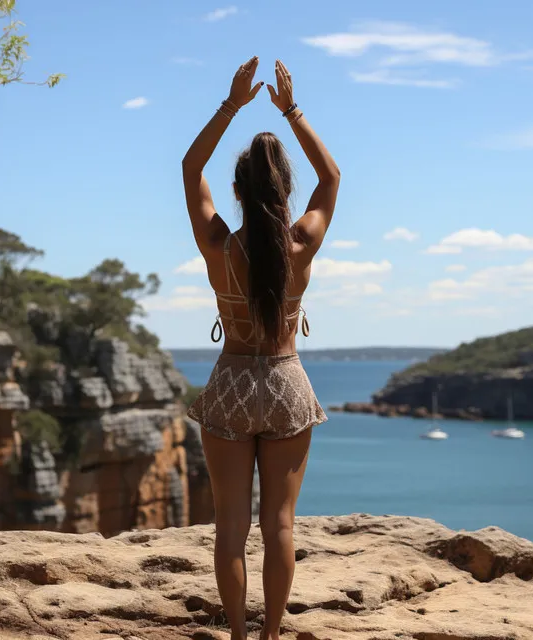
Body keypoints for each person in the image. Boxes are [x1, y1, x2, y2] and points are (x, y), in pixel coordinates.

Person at [181, 57, 340, 640]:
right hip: (285, 383)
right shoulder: (301, 244)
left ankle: (239, 639)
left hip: (230, 385)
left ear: (238, 191)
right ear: (284, 191)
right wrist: (290, 112)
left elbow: (189, 165)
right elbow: (331, 178)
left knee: (230, 526)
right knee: (279, 524)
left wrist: (232, 105)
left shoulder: (219, 245)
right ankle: (272, 635)